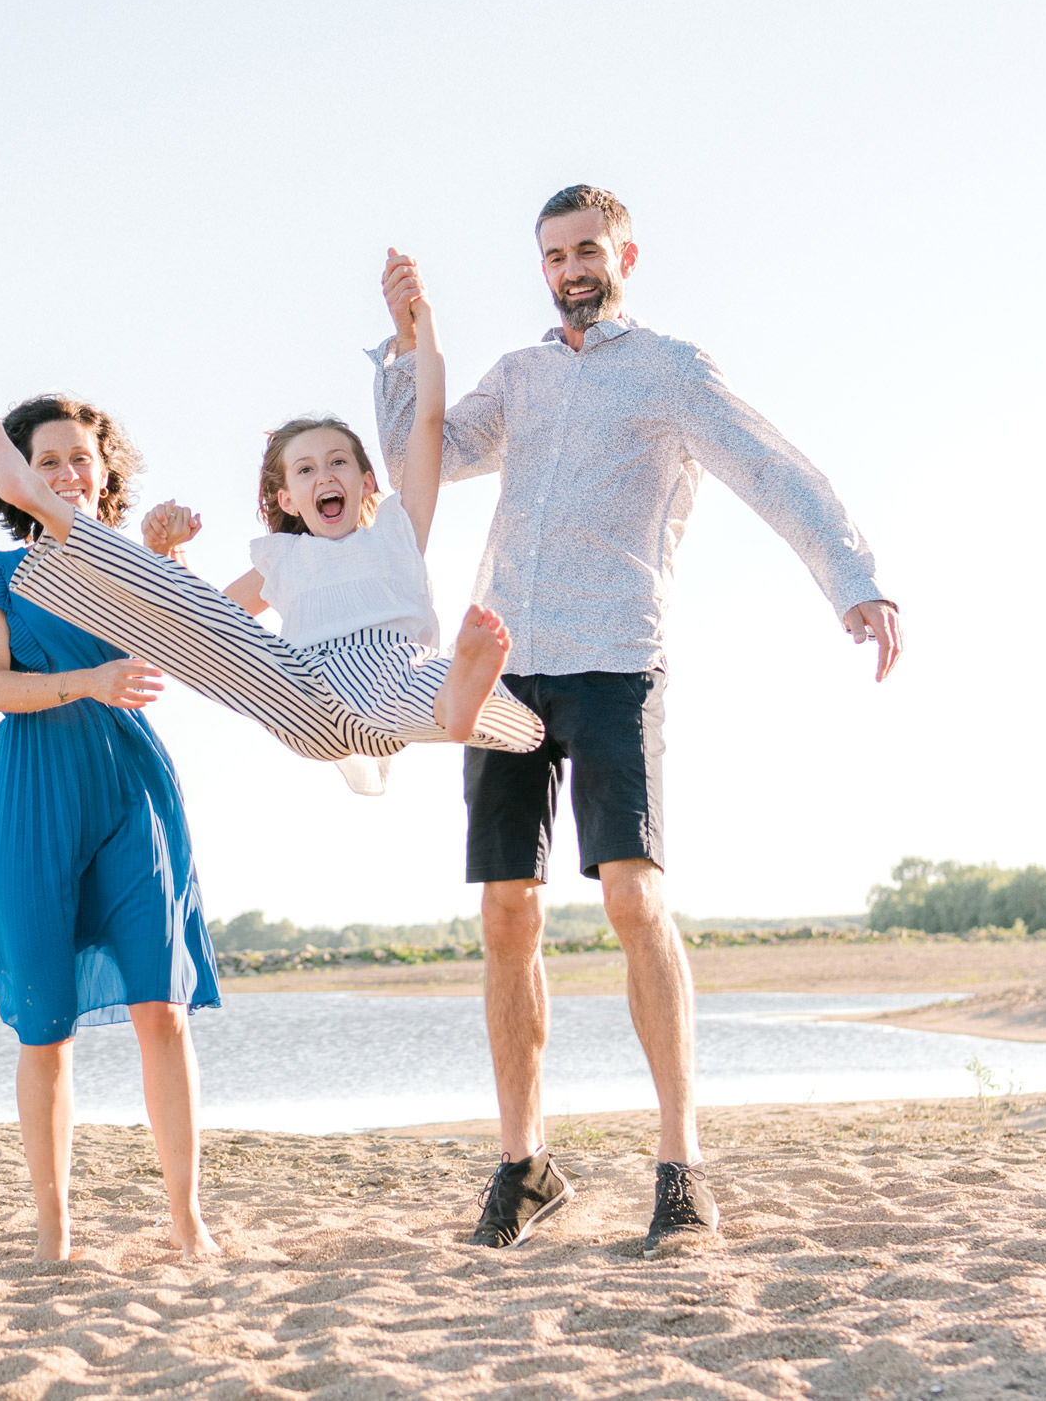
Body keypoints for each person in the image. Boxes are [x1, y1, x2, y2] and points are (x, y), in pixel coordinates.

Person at [373, 187, 902, 1257]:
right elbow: (420, 452)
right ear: (542, 267)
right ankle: (525, 1163)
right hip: (506, 661)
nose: (570, 267)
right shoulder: (518, 377)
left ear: (624, 254)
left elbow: (774, 469)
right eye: (553, 254)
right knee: (506, 914)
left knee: (631, 894)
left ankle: (680, 1163)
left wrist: (852, 578)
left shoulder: (671, 370)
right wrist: (405, 347)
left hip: (615, 655)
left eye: (585, 249)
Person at [0, 285, 541, 789]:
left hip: (394, 683)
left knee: (428, 682)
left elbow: (428, 425)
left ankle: (456, 707)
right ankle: (28, 495)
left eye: (338, 462)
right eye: (305, 470)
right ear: (286, 499)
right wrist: (172, 555)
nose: (324, 475)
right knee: (204, 620)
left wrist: (421, 329)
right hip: (296, 686)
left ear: (368, 484)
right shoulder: (283, 559)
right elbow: (196, 621)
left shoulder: (398, 528)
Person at [0, 393, 223, 1261]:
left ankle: (187, 1221)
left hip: (127, 792)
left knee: (165, 1008)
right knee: (47, 1026)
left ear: (105, 468)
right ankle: (53, 1233)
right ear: (18, 477)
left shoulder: (127, 562)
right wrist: (90, 679)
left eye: (81, 457)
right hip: (35, 799)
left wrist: (170, 555)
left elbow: (191, 635)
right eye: (46, 461)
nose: (68, 472)